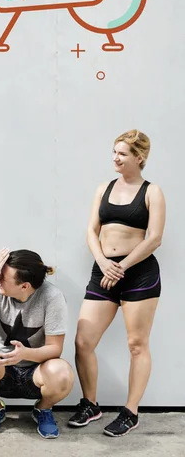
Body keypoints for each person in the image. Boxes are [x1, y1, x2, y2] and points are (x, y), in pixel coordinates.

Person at [69, 130, 165, 437]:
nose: (115, 158)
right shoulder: (104, 188)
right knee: (83, 342)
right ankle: (91, 405)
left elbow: (154, 238)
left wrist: (121, 266)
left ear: (139, 158)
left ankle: (130, 411)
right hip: (104, 271)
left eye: (122, 153)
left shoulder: (152, 192)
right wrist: (102, 263)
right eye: (114, 152)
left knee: (137, 345)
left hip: (138, 273)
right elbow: (90, 231)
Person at [0, 248, 73, 439]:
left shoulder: (52, 296)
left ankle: (42, 410)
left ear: (24, 286)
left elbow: (55, 348)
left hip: (36, 374)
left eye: (1, 277)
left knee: (62, 373)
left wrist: (25, 354)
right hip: (3, 370)